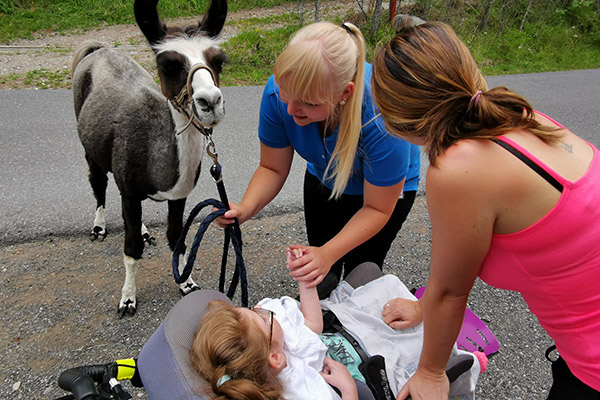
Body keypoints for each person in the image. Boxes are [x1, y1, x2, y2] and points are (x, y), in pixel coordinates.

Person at [371, 18, 600, 400]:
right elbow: (453, 266)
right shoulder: (521, 118)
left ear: (398, 119)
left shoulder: (458, 169)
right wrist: (424, 307)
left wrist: (430, 372)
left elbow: (450, 290)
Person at [216, 21, 421, 299]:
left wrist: (328, 253)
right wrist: (246, 208)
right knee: (322, 270)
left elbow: (377, 210)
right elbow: (272, 167)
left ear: (344, 94)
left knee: (362, 273)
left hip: (383, 197)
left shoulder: (380, 117)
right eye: (288, 94)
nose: (290, 109)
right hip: (325, 176)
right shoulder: (279, 92)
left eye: (309, 103)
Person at [189, 250, 482, 400]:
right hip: (362, 375)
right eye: (261, 316)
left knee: (371, 272)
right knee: (436, 348)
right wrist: (349, 390)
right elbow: (313, 329)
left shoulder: (265, 353)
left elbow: (310, 326)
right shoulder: (305, 392)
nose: (264, 310)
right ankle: (465, 362)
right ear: (275, 358)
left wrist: (305, 284)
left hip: (339, 340)